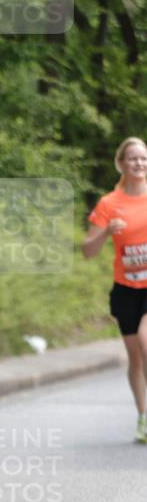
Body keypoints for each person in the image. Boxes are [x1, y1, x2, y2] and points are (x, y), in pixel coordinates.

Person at [82, 136, 147, 444]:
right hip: (126, 289)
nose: (139, 163)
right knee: (135, 359)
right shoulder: (109, 203)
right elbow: (87, 251)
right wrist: (106, 232)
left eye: (144, 158)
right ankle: (143, 418)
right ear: (121, 163)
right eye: (133, 158)